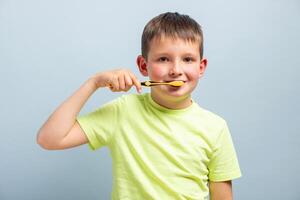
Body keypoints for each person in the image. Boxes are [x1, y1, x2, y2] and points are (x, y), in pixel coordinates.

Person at [37, 12, 242, 200]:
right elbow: (49, 139)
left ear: (201, 67)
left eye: (187, 59)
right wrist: (93, 83)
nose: (176, 70)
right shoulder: (122, 111)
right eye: (163, 59)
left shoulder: (216, 127)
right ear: (144, 66)